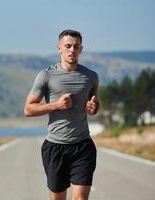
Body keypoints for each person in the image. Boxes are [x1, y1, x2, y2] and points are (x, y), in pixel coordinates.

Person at [24, 29, 99, 200]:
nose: (72, 50)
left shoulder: (91, 76)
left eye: (76, 46)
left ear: (81, 49)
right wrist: (56, 105)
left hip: (83, 146)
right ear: (59, 48)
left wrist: (94, 107)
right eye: (68, 46)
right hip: (55, 147)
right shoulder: (46, 75)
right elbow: (28, 109)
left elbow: (95, 104)